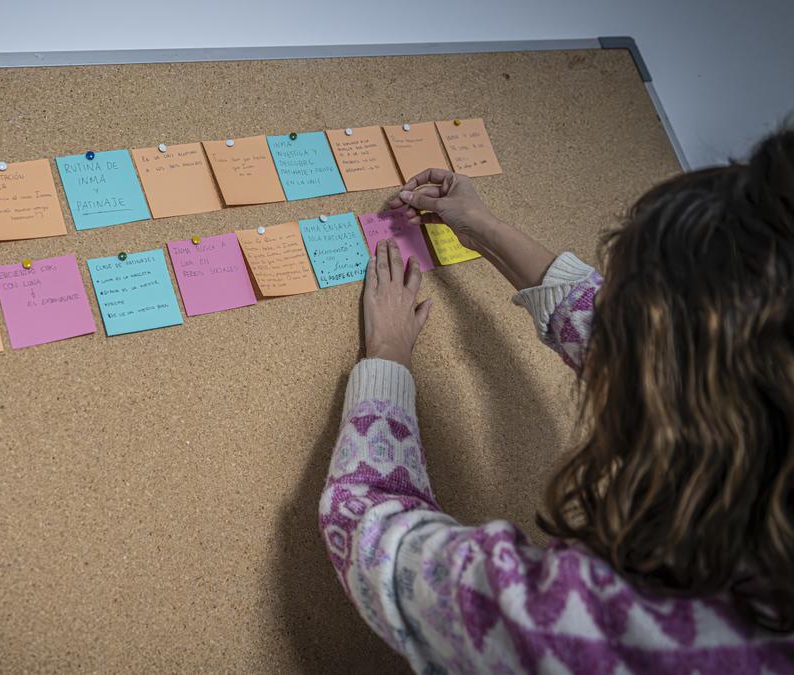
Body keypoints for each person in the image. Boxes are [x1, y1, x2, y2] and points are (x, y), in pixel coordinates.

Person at [320, 129, 794, 673]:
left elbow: (373, 537)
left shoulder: (602, 625)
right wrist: (489, 231)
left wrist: (386, 357)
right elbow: (659, 352)